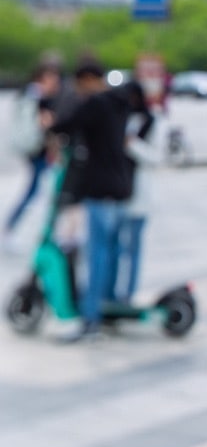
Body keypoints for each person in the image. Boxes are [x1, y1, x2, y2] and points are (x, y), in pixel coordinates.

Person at [51, 58, 149, 341]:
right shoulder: (121, 103)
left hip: (99, 189)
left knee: (97, 255)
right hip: (121, 189)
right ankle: (109, 307)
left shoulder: (96, 103)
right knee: (114, 253)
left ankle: (91, 318)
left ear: (87, 80)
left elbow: (64, 124)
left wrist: (52, 123)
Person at [4, 63, 60, 249]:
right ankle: (12, 228)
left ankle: (15, 228)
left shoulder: (30, 95)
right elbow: (38, 125)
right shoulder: (35, 96)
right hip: (36, 148)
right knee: (35, 190)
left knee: (37, 190)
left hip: (37, 149)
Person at [114, 85, 161, 304]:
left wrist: (132, 145)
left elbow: (156, 157)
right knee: (115, 247)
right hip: (116, 192)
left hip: (139, 194)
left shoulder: (151, 121)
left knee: (132, 248)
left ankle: (127, 294)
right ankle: (113, 292)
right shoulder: (119, 118)